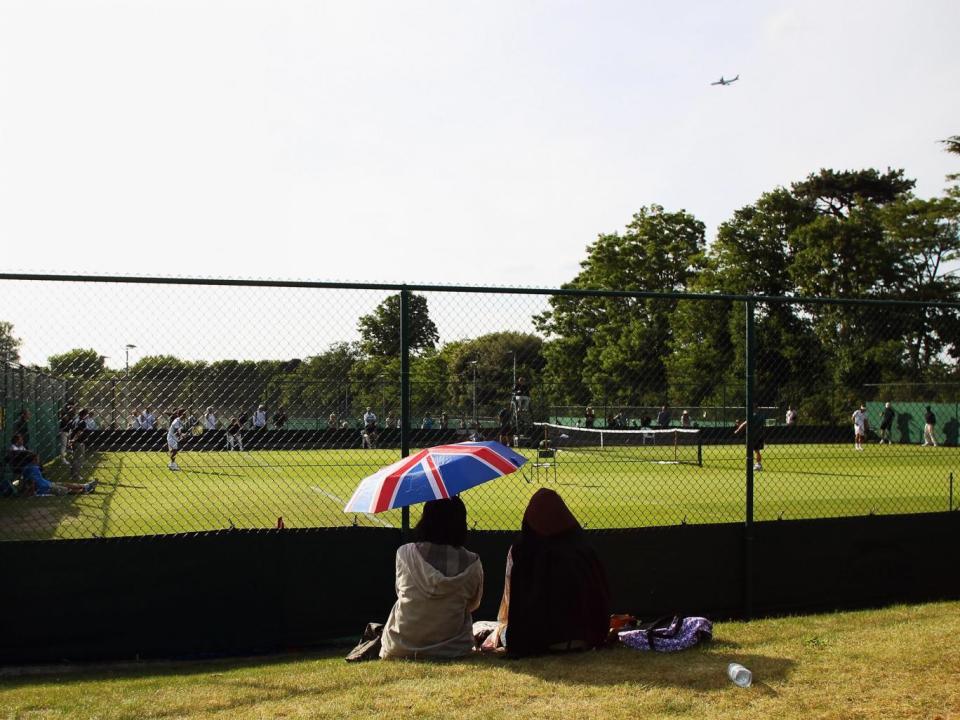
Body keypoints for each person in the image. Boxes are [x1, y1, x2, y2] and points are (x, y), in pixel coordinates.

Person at [483, 488, 610, 656]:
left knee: (493, 629)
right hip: (584, 637)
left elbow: (511, 601)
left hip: (537, 641)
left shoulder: (523, 550)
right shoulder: (583, 548)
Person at [380, 497, 483, 659]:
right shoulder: (473, 562)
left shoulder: (405, 553)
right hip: (453, 648)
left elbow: (401, 592)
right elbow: (473, 604)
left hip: (401, 646)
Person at [20, 453, 97, 496]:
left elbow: (25, 480)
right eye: (37, 458)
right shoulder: (31, 468)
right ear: (34, 460)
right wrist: (33, 493)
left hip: (48, 483)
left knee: (65, 484)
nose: (39, 460)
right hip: (44, 488)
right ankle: (85, 490)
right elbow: (32, 481)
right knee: (66, 490)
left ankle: (85, 486)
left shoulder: (33, 466)